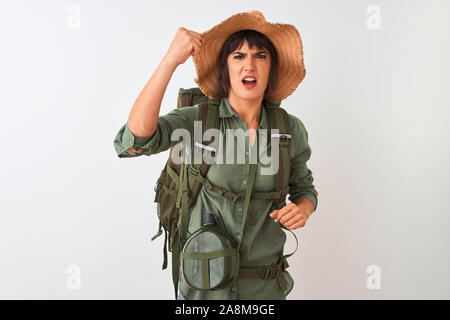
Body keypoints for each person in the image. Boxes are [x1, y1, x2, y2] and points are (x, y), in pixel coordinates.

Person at [113, 10, 318, 300]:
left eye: (260, 56)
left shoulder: (289, 129)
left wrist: (303, 209)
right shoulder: (199, 121)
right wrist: (170, 61)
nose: (250, 65)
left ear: (271, 68)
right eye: (238, 56)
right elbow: (135, 141)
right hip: (202, 293)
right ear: (226, 69)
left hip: (264, 292)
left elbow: (305, 189)